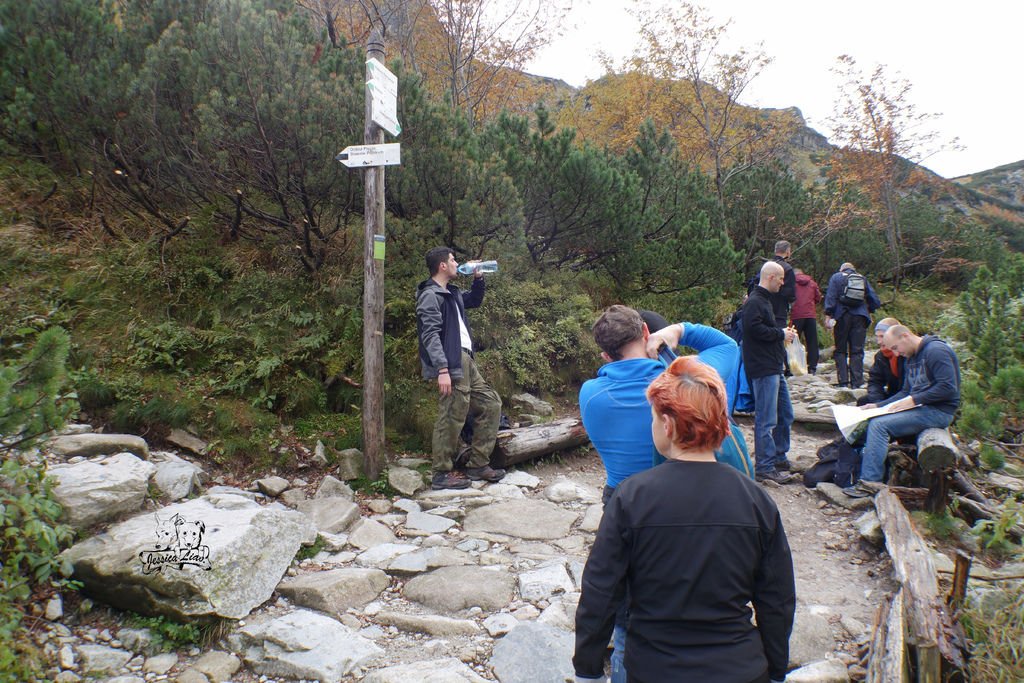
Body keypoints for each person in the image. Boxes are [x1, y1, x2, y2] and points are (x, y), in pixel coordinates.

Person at [574, 357, 795, 683]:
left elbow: (600, 591)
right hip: (740, 669)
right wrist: (777, 669)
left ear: (667, 425)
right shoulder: (755, 500)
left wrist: (588, 669)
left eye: (652, 418)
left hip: (654, 668)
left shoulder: (630, 497)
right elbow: (777, 598)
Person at [578, 305, 751, 682]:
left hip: (624, 503)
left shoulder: (591, 394)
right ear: (645, 330)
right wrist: (679, 329)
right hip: (698, 497)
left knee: (625, 621)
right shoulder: (685, 385)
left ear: (605, 354)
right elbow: (729, 346)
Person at [416, 246, 505, 490]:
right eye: (453, 260)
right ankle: (441, 473)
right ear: (442, 266)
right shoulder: (430, 295)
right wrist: (442, 369)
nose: (457, 263)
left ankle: (478, 464)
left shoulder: (451, 293)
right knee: (452, 414)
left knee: (491, 403)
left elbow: (475, 300)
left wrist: (478, 277)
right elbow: (430, 335)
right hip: (452, 360)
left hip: (467, 360)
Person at [845, 324, 961, 497]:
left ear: (905, 336)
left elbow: (948, 388)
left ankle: (869, 483)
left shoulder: (936, 351)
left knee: (879, 426)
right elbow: (906, 392)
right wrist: (879, 406)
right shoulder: (911, 358)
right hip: (922, 408)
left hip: (939, 412)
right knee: (874, 419)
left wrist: (915, 400)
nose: (897, 354)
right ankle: (864, 472)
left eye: (895, 348)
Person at [743, 261, 797, 484]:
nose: (784, 283)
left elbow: (764, 329)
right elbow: (753, 329)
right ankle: (765, 467)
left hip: (774, 366)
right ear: (771, 277)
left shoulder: (765, 300)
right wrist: (780, 334)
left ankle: (778, 457)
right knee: (766, 419)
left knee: (785, 413)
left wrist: (781, 335)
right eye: (781, 278)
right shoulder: (755, 301)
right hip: (763, 367)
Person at [824, 263, 882, 388]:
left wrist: (828, 314)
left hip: (841, 316)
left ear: (841, 269)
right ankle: (857, 382)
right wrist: (869, 310)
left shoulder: (836, 277)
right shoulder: (861, 278)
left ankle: (843, 382)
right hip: (860, 317)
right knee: (857, 350)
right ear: (853, 269)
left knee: (840, 350)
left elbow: (831, 297)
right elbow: (875, 300)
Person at [857, 317, 905, 406]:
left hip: (907, 396)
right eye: (877, 336)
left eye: (882, 336)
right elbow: (875, 381)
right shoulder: (881, 356)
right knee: (863, 401)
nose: (879, 341)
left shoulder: (905, 353)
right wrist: (877, 402)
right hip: (892, 394)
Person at [790, 268, 822, 375]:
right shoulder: (812, 283)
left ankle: (793, 367)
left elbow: (788, 297)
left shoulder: (791, 283)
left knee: (793, 341)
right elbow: (818, 298)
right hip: (810, 315)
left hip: (796, 315)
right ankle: (812, 367)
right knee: (812, 341)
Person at [770, 240, 797, 328]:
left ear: (775, 251)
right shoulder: (787, 269)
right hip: (779, 311)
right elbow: (790, 294)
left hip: (761, 308)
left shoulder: (765, 266)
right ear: (788, 252)